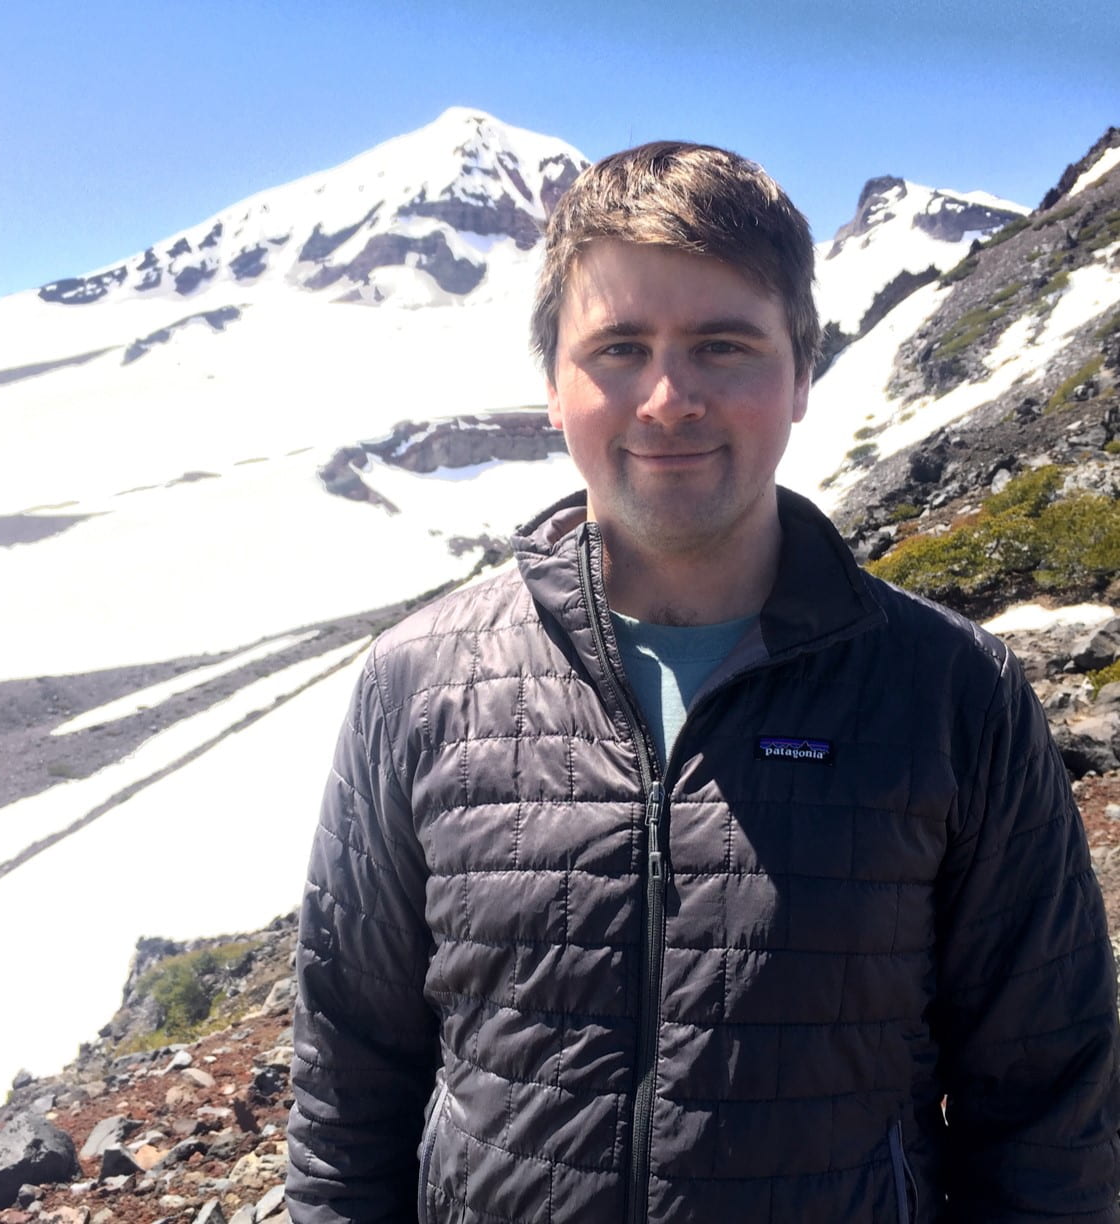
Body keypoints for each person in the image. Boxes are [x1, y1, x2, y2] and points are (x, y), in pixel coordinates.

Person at [286, 142, 1120, 1222]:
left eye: (724, 346)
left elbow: (1050, 1101)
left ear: (801, 371)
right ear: (554, 386)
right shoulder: (420, 683)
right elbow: (350, 1082)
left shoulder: (953, 692)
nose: (670, 398)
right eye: (620, 349)